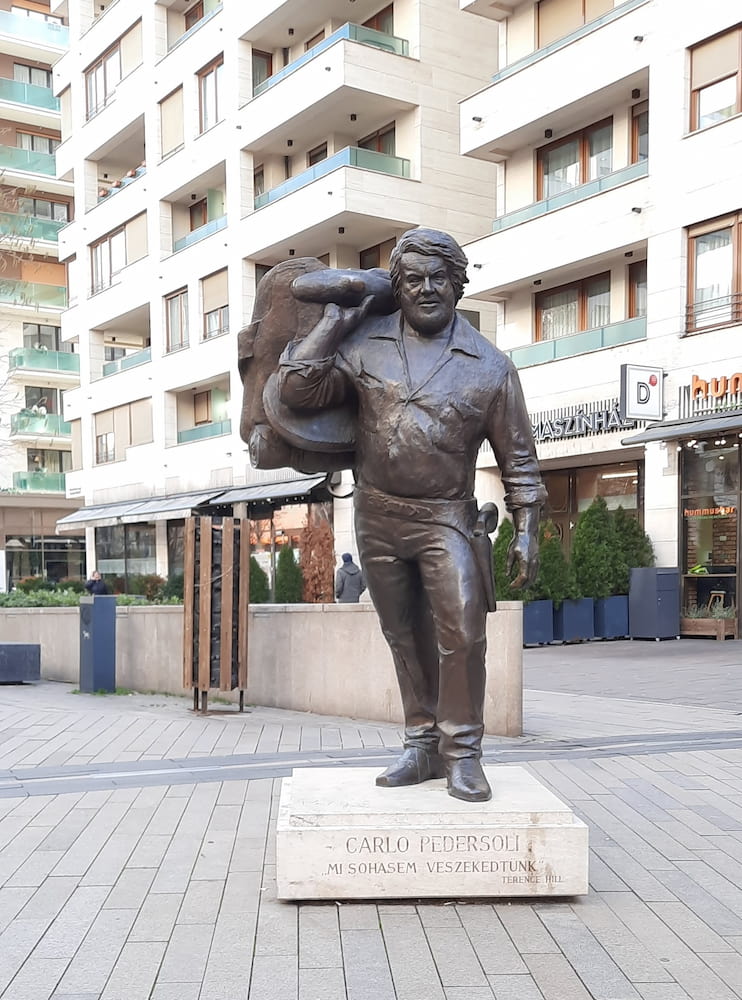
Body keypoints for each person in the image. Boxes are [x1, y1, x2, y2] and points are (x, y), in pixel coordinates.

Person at [276, 228, 546, 802]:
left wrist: (527, 530)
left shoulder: (491, 367)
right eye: (414, 279)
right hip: (376, 517)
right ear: (396, 287)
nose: (427, 289)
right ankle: (422, 744)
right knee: (402, 635)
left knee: (463, 635)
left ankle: (463, 753)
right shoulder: (365, 343)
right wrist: (336, 321)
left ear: (458, 285)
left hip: (447, 519)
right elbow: (298, 390)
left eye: (438, 279)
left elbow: (519, 460)